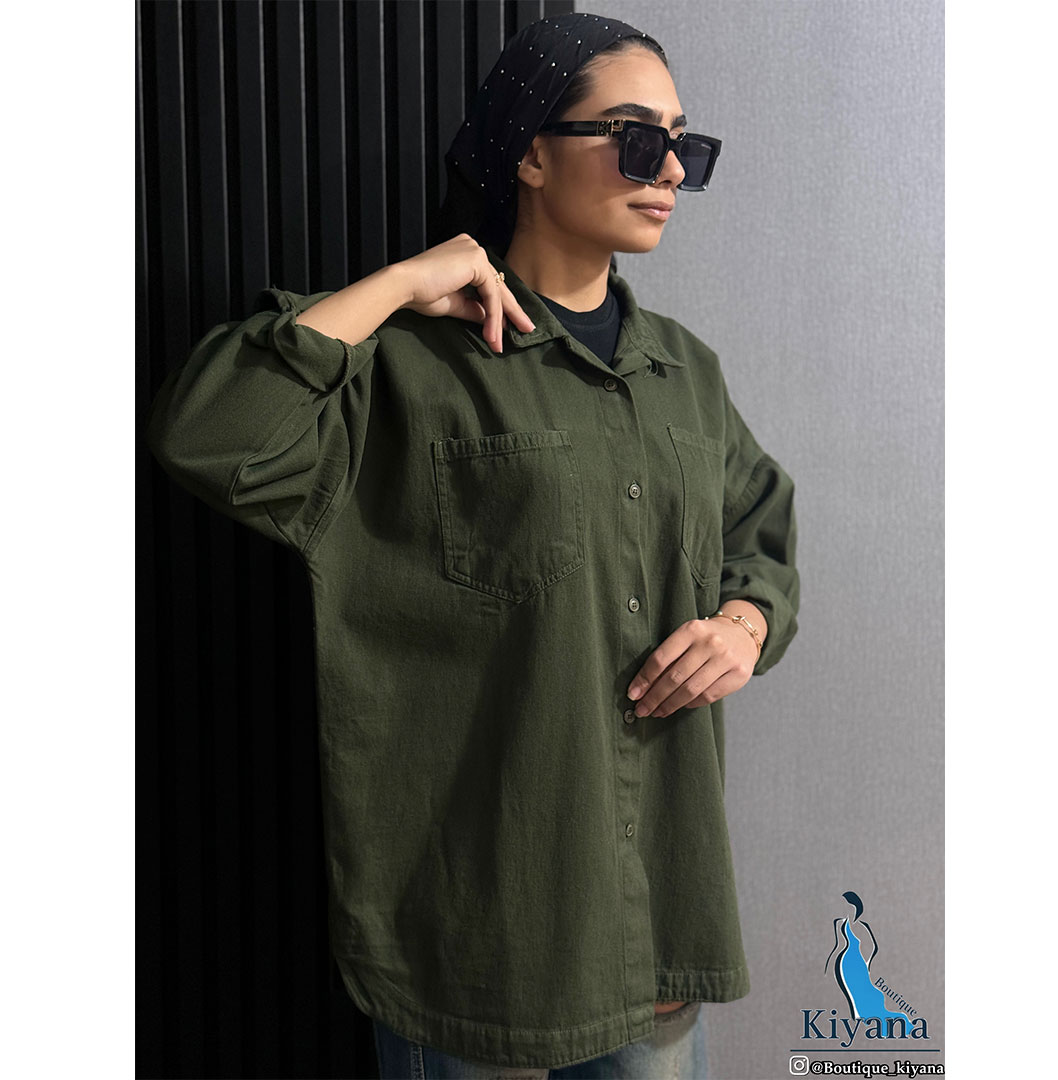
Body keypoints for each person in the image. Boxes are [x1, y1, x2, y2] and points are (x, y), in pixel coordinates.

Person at [145, 11, 799, 1078]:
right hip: (475, 948)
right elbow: (207, 432)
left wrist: (745, 621)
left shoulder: (686, 371)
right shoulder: (401, 363)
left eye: (686, 143)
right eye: (638, 138)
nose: (673, 170)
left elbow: (760, 524)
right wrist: (399, 284)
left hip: (655, 922)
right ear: (531, 153)